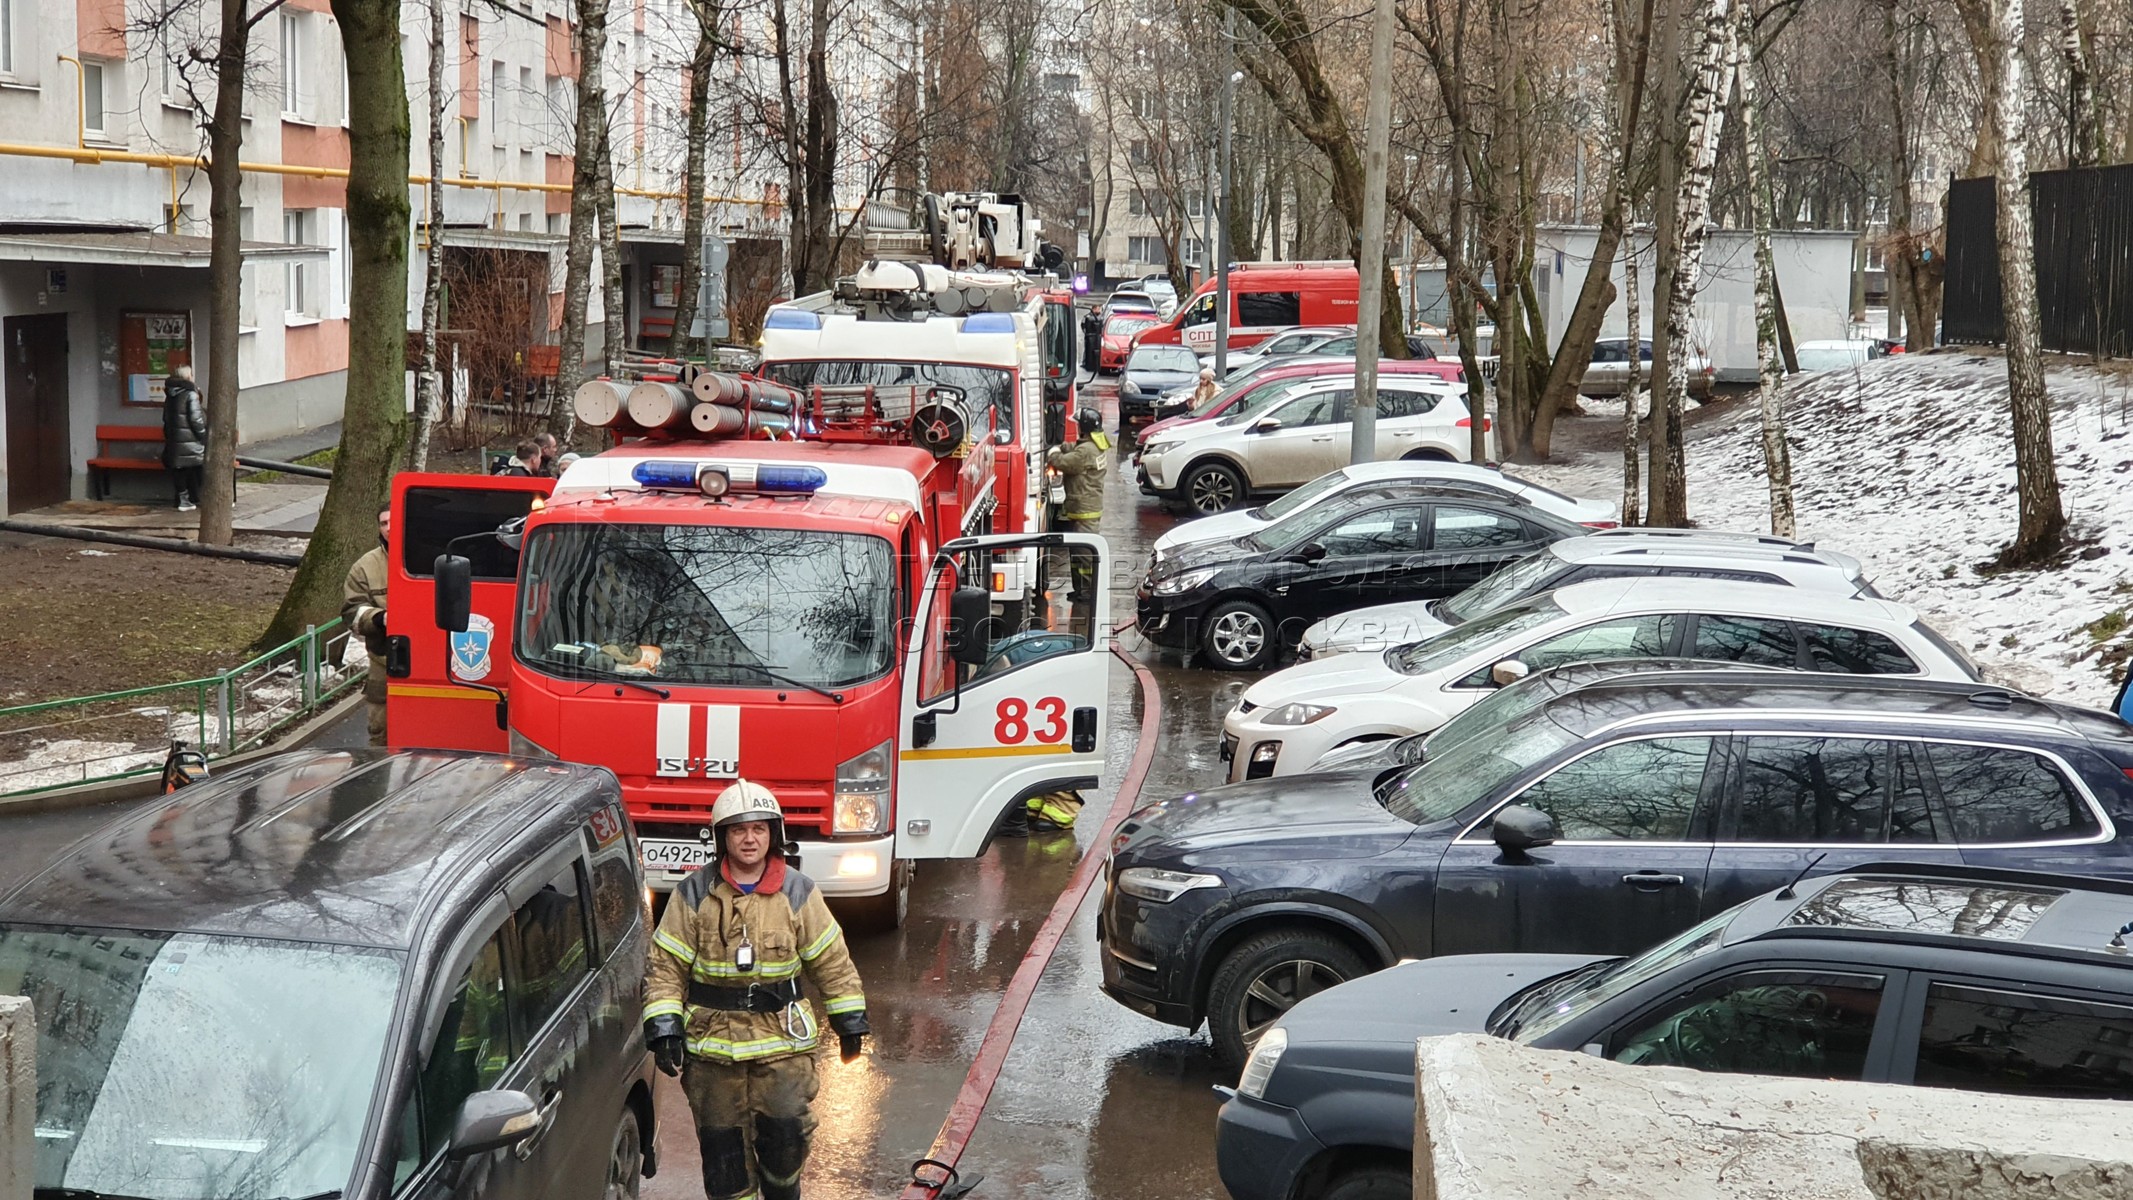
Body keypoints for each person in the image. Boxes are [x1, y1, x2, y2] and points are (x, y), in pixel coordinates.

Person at [644, 781, 868, 1200]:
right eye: (738, 830)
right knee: (724, 1161)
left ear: (773, 835)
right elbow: (665, 967)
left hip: (783, 1047)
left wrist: (849, 1018)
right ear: (722, 838)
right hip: (712, 1052)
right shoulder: (693, 894)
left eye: (759, 830)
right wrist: (664, 1026)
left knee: (786, 1141)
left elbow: (830, 960)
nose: (749, 839)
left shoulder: (798, 892)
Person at [340, 507, 392, 746]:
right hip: (384, 661)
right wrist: (379, 618)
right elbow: (352, 612)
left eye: (393, 521)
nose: (389, 527)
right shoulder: (365, 567)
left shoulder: (432, 557)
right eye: (383, 523)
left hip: (431, 663)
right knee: (381, 732)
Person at [161, 364, 207, 511]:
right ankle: (200, 498)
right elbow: (196, 419)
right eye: (191, 375)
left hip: (175, 439)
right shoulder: (191, 394)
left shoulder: (170, 394)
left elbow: (166, 418)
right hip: (190, 439)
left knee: (180, 469)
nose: (193, 377)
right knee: (198, 468)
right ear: (187, 377)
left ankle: (183, 500)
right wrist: (203, 436)